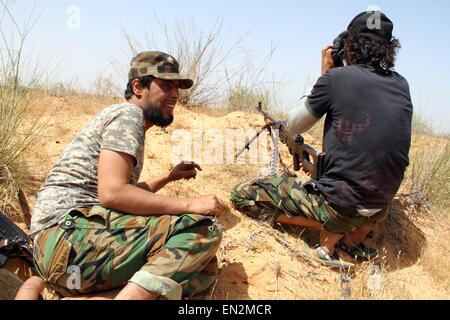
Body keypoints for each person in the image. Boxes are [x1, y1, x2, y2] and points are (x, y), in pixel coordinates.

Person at [28, 51, 224, 300]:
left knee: (202, 270)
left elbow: (121, 193)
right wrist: (189, 204)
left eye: (177, 87)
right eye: (166, 85)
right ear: (138, 87)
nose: (175, 94)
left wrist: (167, 177)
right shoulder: (128, 115)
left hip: (67, 257)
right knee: (201, 229)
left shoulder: (128, 120)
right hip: (67, 238)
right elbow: (113, 194)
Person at [231, 11, 413, 265]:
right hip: (380, 206)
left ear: (348, 46)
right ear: (388, 48)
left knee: (241, 195)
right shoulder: (401, 84)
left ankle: (333, 229)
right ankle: (352, 239)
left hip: (342, 207)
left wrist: (324, 75)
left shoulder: (337, 79)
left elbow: (295, 125)